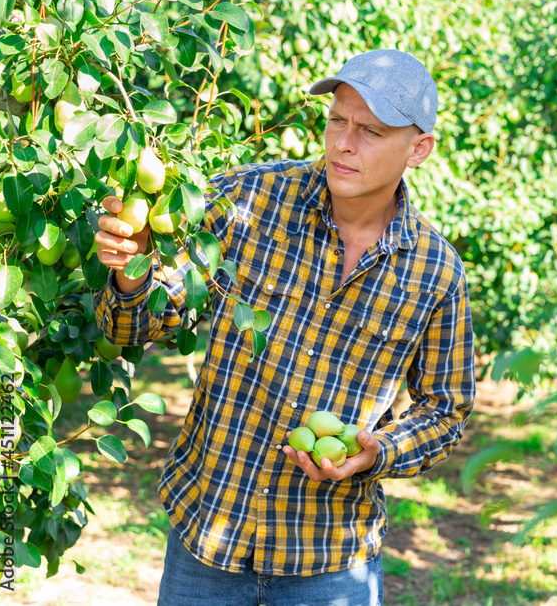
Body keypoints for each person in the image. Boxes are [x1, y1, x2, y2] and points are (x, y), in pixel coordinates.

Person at [93, 49, 476, 606]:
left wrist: (379, 451)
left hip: (330, 560)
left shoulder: (434, 272)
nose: (344, 143)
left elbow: (446, 409)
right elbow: (134, 326)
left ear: (419, 149)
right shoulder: (248, 200)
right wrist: (132, 271)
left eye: (370, 131)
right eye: (337, 121)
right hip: (209, 537)